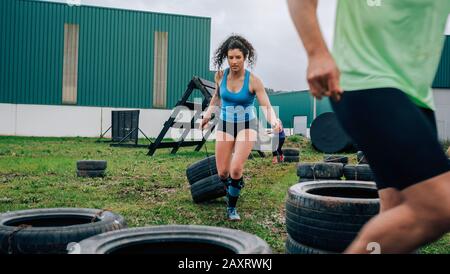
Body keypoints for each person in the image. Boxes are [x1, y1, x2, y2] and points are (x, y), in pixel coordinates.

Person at [287, 0, 450, 253]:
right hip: (367, 81)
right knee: (440, 206)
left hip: (417, 97)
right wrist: (316, 52)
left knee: (396, 209)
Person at [200, 34, 282, 221]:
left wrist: (274, 121)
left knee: (236, 169)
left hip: (247, 125)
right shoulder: (220, 76)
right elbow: (217, 97)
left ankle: (231, 208)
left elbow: (266, 106)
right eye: (231, 57)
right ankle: (236, 182)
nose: (234, 61)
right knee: (223, 172)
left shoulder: (254, 81)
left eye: (238, 57)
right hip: (225, 124)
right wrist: (207, 114)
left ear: (245, 57)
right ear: (226, 57)